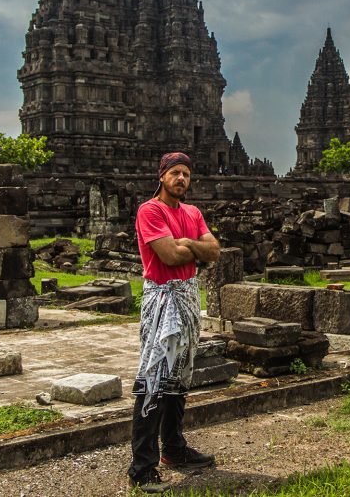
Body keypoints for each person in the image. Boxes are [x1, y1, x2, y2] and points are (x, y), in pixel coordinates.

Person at [128, 152, 221, 493]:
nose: (181, 178)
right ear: (162, 176)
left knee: (179, 377)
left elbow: (214, 251)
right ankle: (142, 467)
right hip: (162, 299)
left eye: (186, 174)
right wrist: (192, 248)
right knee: (153, 378)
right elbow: (168, 255)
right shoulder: (150, 210)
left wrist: (189, 245)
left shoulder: (193, 213)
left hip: (187, 298)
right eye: (175, 173)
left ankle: (174, 449)